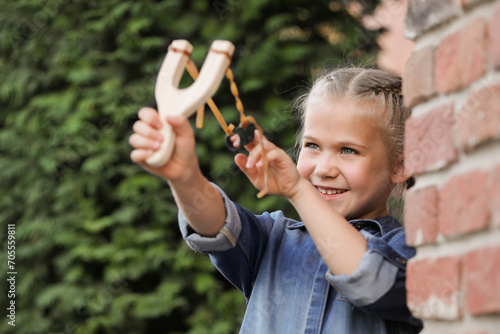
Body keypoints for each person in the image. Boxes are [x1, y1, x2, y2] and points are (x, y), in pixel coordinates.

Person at [129, 67, 423, 333]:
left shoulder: (414, 255)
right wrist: (184, 176)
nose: (323, 169)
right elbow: (214, 226)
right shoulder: (273, 238)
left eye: (348, 150)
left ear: (399, 165)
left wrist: (298, 190)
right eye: (312, 146)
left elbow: (369, 279)